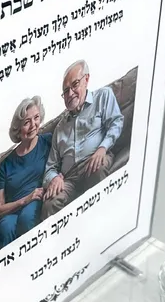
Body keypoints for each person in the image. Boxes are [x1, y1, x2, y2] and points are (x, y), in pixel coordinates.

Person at [42, 60, 124, 219]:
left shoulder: (103, 96)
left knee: (97, 170)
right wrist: (55, 178)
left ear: (86, 79)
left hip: (94, 160)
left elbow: (116, 122)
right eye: (66, 91)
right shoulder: (60, 128)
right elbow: (50, 167)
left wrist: (102, 148)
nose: (70, 94)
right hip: (69, 177)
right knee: (50, 203)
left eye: (75, 85)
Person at [0, 96, 52, 248]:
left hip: (37, 199)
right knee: (5, 226)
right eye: (26, 122)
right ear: (18, 130)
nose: (33, 125)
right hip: (15, 208)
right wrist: (24, 200)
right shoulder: (6, 164)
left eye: (36, 118)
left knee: (27, 218)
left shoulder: (48, 141)